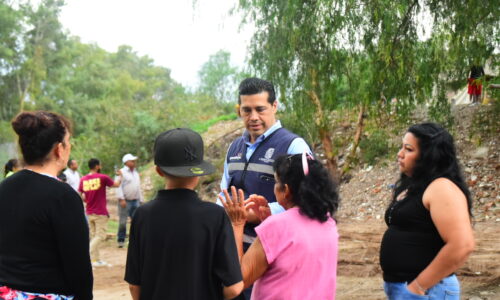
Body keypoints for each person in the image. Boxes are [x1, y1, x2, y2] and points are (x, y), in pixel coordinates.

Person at [218, 77, 311, 298]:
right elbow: (223, 194)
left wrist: (262, 213)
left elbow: (308, 203)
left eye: (260, 109)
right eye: (246, 110)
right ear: (239, 110)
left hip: (274, 258)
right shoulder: (234, 148)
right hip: (236, 256)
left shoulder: (293, 146)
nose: (253, 117)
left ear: (274, 106)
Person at [125, 128, 243, 300]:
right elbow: (234, 288)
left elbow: (134, 285)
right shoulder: (215, 216)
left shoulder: (142, 215)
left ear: (159, 171)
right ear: (199, 173)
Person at [221, 152, 339, 300]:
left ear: (287, 191)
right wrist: (268, 219)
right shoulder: (328, 223)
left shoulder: (277, 226)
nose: (274, 188)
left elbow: (237, 282)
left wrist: (237, 223)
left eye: (276, 182)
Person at [0, 111, 92, 299]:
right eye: (68, 141)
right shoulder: (63, 197)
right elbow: (78, 266)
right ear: (59, 149)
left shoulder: (4, 188)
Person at [380, 122, 475, 299]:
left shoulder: (441, 188)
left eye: (408, 149)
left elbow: (462, 245)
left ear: (428, 156)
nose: (399, 154)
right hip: (405, 288)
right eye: (402, 147)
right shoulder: (411, 186)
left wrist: (418, 287)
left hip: (429, 290)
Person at [79, 158, 122, 267]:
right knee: (100, 236)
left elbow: (79, 194)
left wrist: (86, 200)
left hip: (89, 211)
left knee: (94, 236)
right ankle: (87, 252)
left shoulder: (83, 179)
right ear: (97, 166)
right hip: (100, 212)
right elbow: (116, 185)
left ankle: (95, 260)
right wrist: (120, 175)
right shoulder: (102, 177)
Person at [116, 153, 142, 248]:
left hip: (136, 200)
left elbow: (138, 187)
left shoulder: (135, 173)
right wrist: (121, 198)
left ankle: (133, 240)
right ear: (126, 162)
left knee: (135, 221)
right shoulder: (121, 172)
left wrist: (141, 199)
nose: (134, 162)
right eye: (132, 161)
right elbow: (118, 187)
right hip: (125, 200)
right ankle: (121, 240)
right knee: (123, 222)